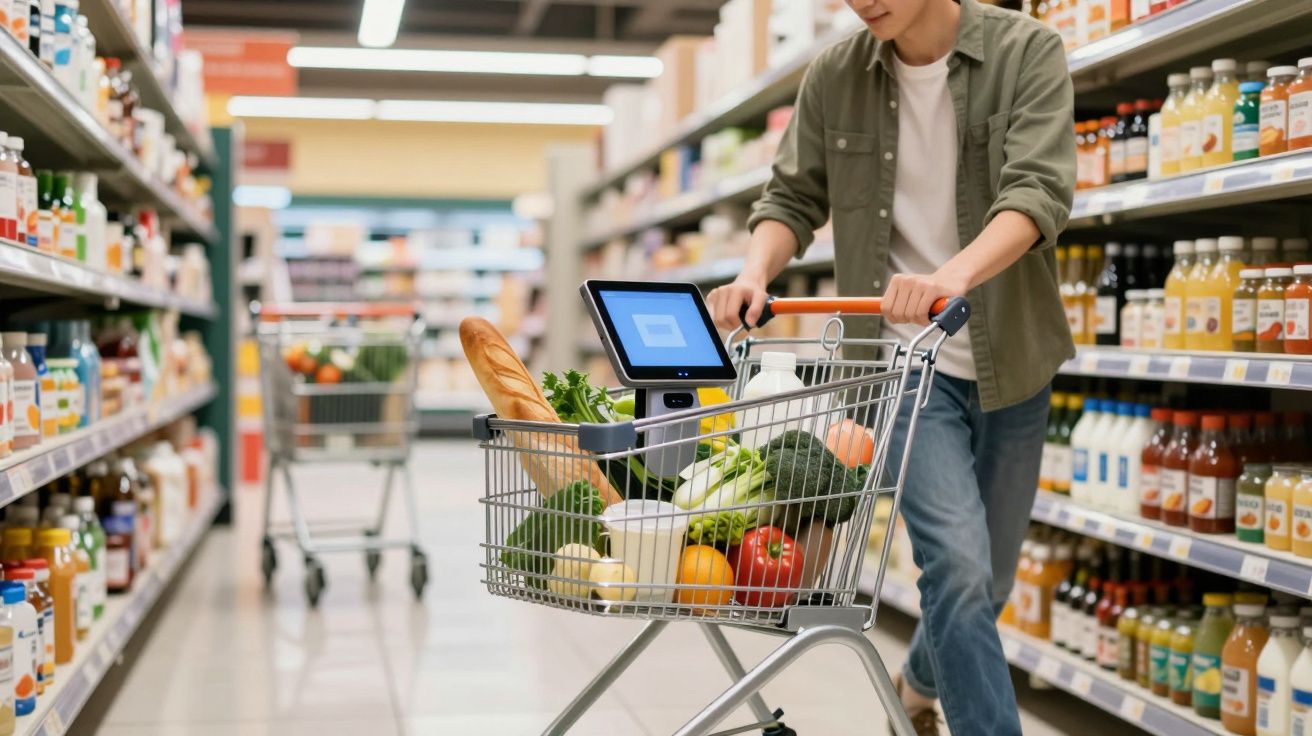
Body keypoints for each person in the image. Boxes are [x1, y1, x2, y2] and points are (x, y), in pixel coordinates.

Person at [705, 0, 1076, 733]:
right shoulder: (835, 75)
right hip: (901, 364)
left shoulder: (1027, 51)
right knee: (959, 567)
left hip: (1014, 355)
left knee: (991, 579)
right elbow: (791, 197)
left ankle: (919, 684)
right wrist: (754, 271)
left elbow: (1038, 190)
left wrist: (953, 276)